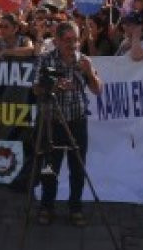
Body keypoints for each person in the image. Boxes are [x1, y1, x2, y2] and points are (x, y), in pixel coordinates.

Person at [32, 20, 102, 227]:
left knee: (77, 167)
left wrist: (89, 73)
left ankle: (75, 208)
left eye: (76, 39)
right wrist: (52, 86)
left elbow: (98, 90)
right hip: (51, 122)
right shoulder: (45, 60)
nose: (72, 44)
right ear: (57, 41)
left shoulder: (84, 60)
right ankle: (47, 206)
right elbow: (35, 89)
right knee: (49, 168)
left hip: (77, 121)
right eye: (67, 40)